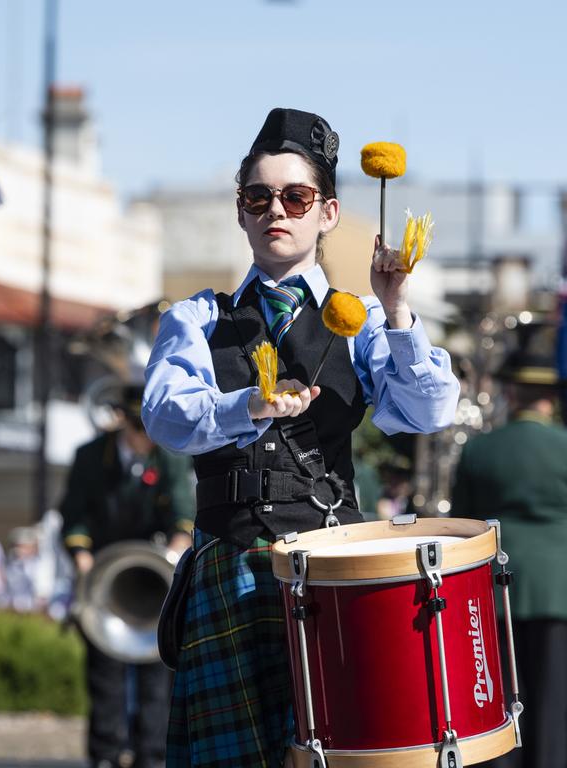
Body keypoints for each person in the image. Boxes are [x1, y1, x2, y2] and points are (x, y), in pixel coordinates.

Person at [141, 107, 459, 768]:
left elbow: (427, 413)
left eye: (296, 197)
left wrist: (398, 308)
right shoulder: (198, 318)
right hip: (231, 568)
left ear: (329, 213)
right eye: (257, 197)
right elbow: (166, 416)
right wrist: (247, 406)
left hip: (336, 570)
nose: (275, 211)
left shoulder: (366, 319)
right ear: (240, 212)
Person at [450, 351, 567, 768]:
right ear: (550, 399)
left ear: (510, 392)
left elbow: (462, 526)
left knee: (498, 703)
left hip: (493, 590)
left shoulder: (479, 450)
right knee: (551, 703)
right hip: (557, 591)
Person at [61, 383, 194, 768]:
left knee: (157, 678)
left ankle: (150, 756)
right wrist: (82, 556)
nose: (145, 437)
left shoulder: (167, 454)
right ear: (122, 423)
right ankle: (104, 753)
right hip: (104, 570)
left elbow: (183, 511)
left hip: (154, 568)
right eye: (139, 428)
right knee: (104, 676)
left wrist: (174, 548)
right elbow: (74, 514)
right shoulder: (89, 457)